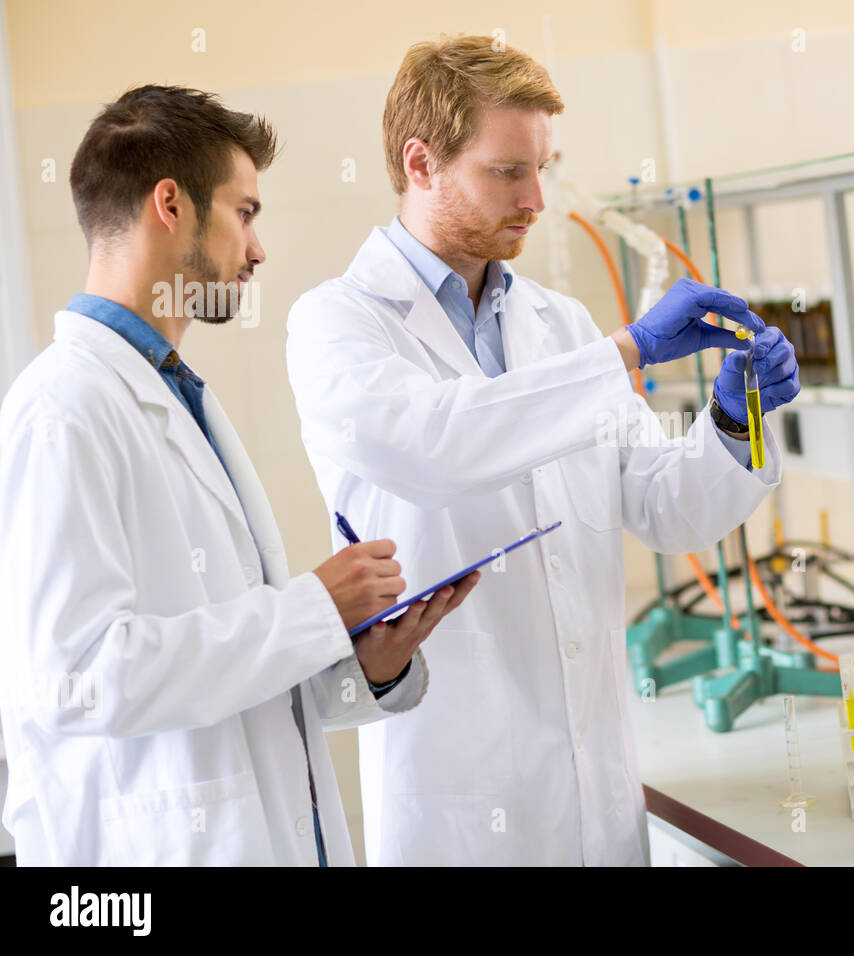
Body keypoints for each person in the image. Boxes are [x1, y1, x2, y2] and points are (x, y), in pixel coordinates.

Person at [285, 37, 800, 866]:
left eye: (542, 169)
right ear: (421, 164)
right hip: (458, 806)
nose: (536, 199)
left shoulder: (556, 326)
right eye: (506, 172)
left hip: (596, 795)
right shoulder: (339, 323)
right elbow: (436, 443)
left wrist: (732, 422)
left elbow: (665, 509)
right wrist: (624, 352)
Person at [0, 85, 478, 866]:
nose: (258, 249)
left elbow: (226, 683)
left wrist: (362, 664)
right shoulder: (65, 408)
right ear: (171, 205)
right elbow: (77, 678)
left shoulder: (174, 395)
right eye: (244, 213)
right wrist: (310, 609)